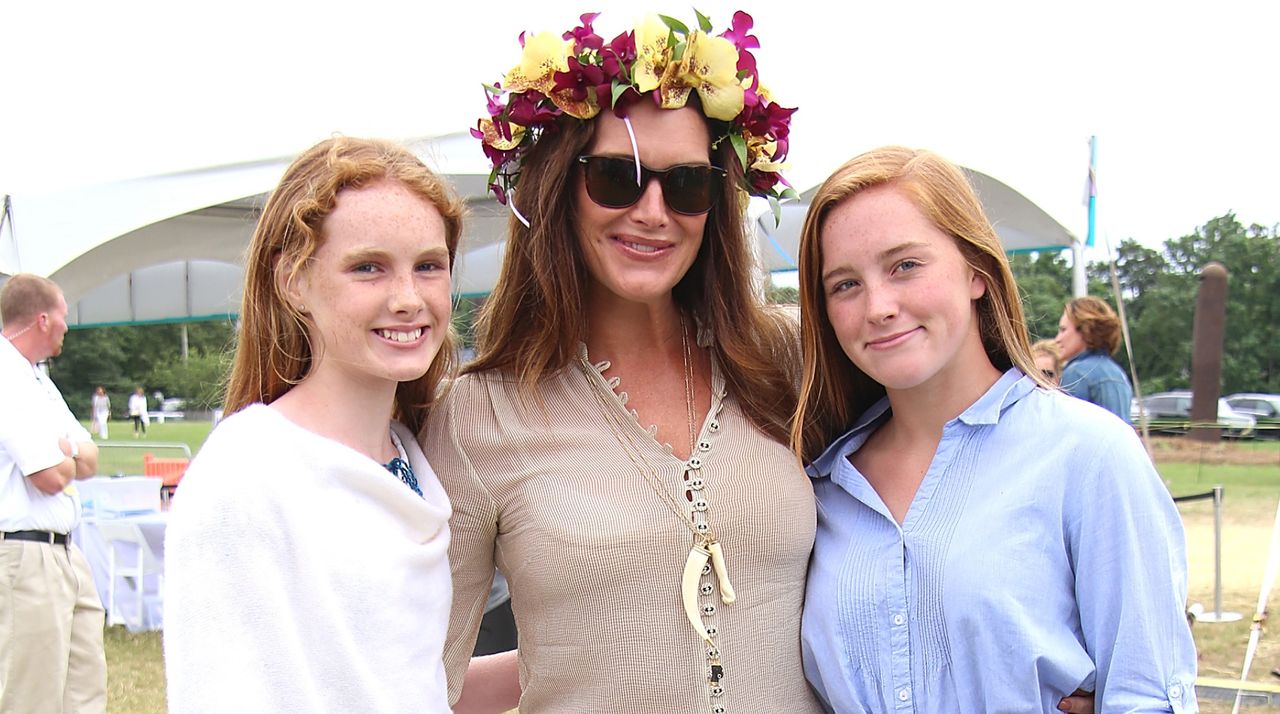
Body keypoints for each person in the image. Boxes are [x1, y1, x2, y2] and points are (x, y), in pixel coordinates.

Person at [422, 11, 820, 712]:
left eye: (689, 184)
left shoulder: (785, 361)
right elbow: (423, 677)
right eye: (616, 176)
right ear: (555, 187)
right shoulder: (475, 416)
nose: (654, 210)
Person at [790, 146, 1197, 712]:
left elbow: (1149, 693)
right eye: (845, 284)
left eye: (905, 265)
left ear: (976, 271)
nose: (878, 305)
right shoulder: (817, 485)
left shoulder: (1088, 454)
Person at [164, 137, 463, 713]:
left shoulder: (411, 455)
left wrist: (561, 654)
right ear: (294, 282)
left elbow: (391, 689)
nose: (408, 298)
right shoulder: (248, 472)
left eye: (428, 266)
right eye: (368, 268)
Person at [0, 273, 106, 713]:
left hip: (64, 552)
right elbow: (47, 475)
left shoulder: (38, 380)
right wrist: (68, 458)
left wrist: (69, 456)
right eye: (64, 315)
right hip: (26, 555)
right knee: (32, 696)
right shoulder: (6, 376)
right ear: (43, 319)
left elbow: (91, 457)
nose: (68, 325)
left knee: (84, 689)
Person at [1056, 296, 1134, 422]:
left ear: (1085, 329)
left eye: (1063, 330)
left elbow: (1066, 428)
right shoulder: (1118, 373)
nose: (1057, 339)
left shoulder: (1077, 373)